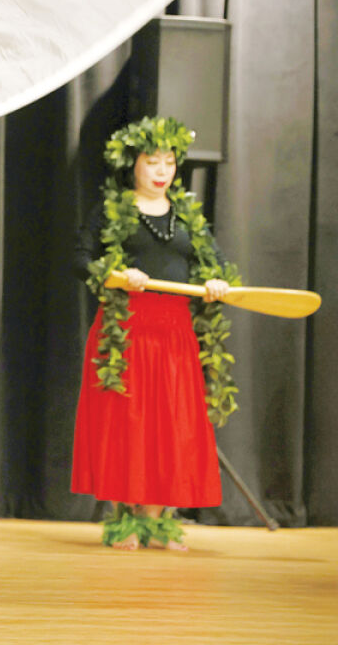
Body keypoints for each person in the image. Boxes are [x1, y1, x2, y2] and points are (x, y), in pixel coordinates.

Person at [71, 117, 241, 551]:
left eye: (169, 161)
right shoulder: (113, 210)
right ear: (135, 166)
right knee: (129, 424)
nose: (162, 170)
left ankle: (158, 523)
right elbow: (82, 259)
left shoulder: (187, 215)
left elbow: (215, 265)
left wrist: (218, 284)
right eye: (152, 162)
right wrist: (116, 275)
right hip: (126, 332)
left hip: (175, 333)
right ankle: (127, 520)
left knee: (172, 424)